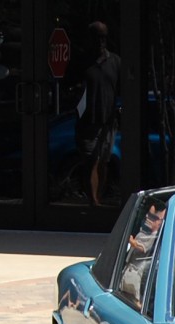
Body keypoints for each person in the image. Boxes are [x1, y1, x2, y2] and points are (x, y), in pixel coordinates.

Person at [75, 21, 122, 206]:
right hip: (88, 120)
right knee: (91, 161)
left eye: (103, 37)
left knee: (103, 160)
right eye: (97, 37)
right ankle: (93, 201)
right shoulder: (82, 62)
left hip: (108, 120)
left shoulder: (115, 61)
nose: (100, 41)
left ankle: (99, 198)